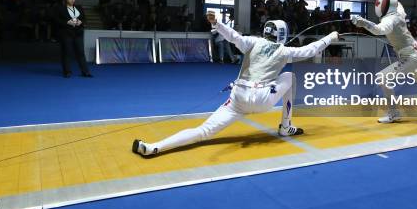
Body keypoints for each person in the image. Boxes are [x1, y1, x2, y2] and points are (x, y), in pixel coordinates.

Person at [132, 12, 338, 157]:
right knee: (289, 78)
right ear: (282, 34)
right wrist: (330, 36)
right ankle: (286, 126)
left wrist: (217, 23)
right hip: (262, 99)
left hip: (238, 98)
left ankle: (153, 147)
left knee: (203, 131)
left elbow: (233, 37)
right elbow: (311, 49)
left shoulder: (254, 42)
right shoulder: (286, 52)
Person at [351, 0, 417, 123]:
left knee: (382, 77)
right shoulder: (398, 12)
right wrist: (392, 2)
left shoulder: (390, 19)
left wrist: (363, 22)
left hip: (411, 56)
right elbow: (398, 5)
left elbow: (379, 30)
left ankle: (394, 113)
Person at [53, 0, 92, 78]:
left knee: (81, 53)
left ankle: (85, 72)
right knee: (67, 53)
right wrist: (67, 22)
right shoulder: (60, 9)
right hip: (66, 33)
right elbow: (56, 20)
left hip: (78, 33)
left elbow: (84, 18)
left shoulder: (79, 7)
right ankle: (67, 72)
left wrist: (80, 22)